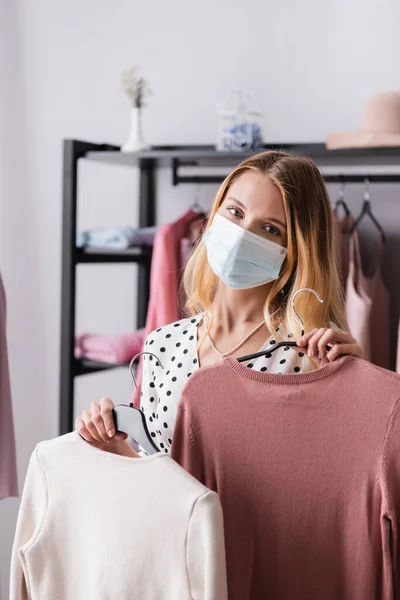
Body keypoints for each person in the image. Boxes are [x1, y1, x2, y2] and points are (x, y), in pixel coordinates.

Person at [75, 151, 364, 457]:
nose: (242, 235)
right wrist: (111, 445)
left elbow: (343, 470)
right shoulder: (163, 344)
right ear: (213, 216)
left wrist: (357, 389)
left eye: (270, 229)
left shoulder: (311, 352)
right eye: (236, 212)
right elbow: (153, 469)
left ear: (296, 248)